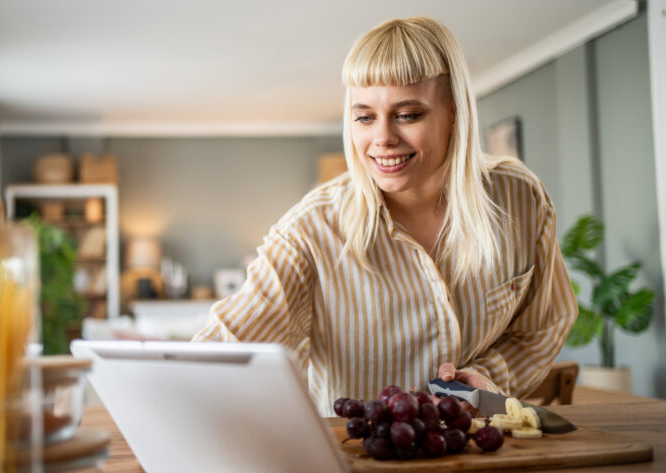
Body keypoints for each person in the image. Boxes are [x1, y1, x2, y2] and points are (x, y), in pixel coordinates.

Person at [192, 16, 577, 416]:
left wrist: (488, 375)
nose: (382, 139)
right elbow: (222, 352)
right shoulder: (309, 232)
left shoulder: (520, 199)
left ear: (454, 114)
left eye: (408, 115)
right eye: (365, 117)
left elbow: (542, 326)